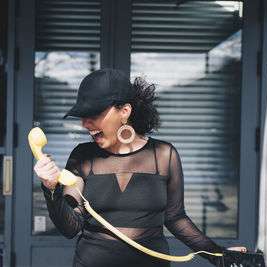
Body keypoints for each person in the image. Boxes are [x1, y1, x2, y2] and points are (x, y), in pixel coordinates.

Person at [34, 68, 246, 267]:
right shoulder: (82, 156)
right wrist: (50, 188)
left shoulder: (164, 155)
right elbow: (71, 227)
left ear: (124, 111)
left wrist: (219, 256)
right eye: (83, 116)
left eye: (94, 114)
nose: (85, 123)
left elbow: (176, 218)